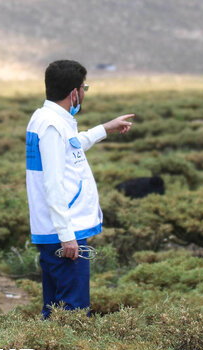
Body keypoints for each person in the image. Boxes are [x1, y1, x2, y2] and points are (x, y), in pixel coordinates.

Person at [25, 60, 134, 318]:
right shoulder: (52, 126)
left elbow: (71, 146)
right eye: (84, 87)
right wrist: (67, 235)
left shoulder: (48, 118)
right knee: (73, 312)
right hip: (64, 233)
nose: (84, 93)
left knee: (55, 309)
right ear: (74, 93)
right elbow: (52, 184)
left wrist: (105, 128)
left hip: (57, 231)